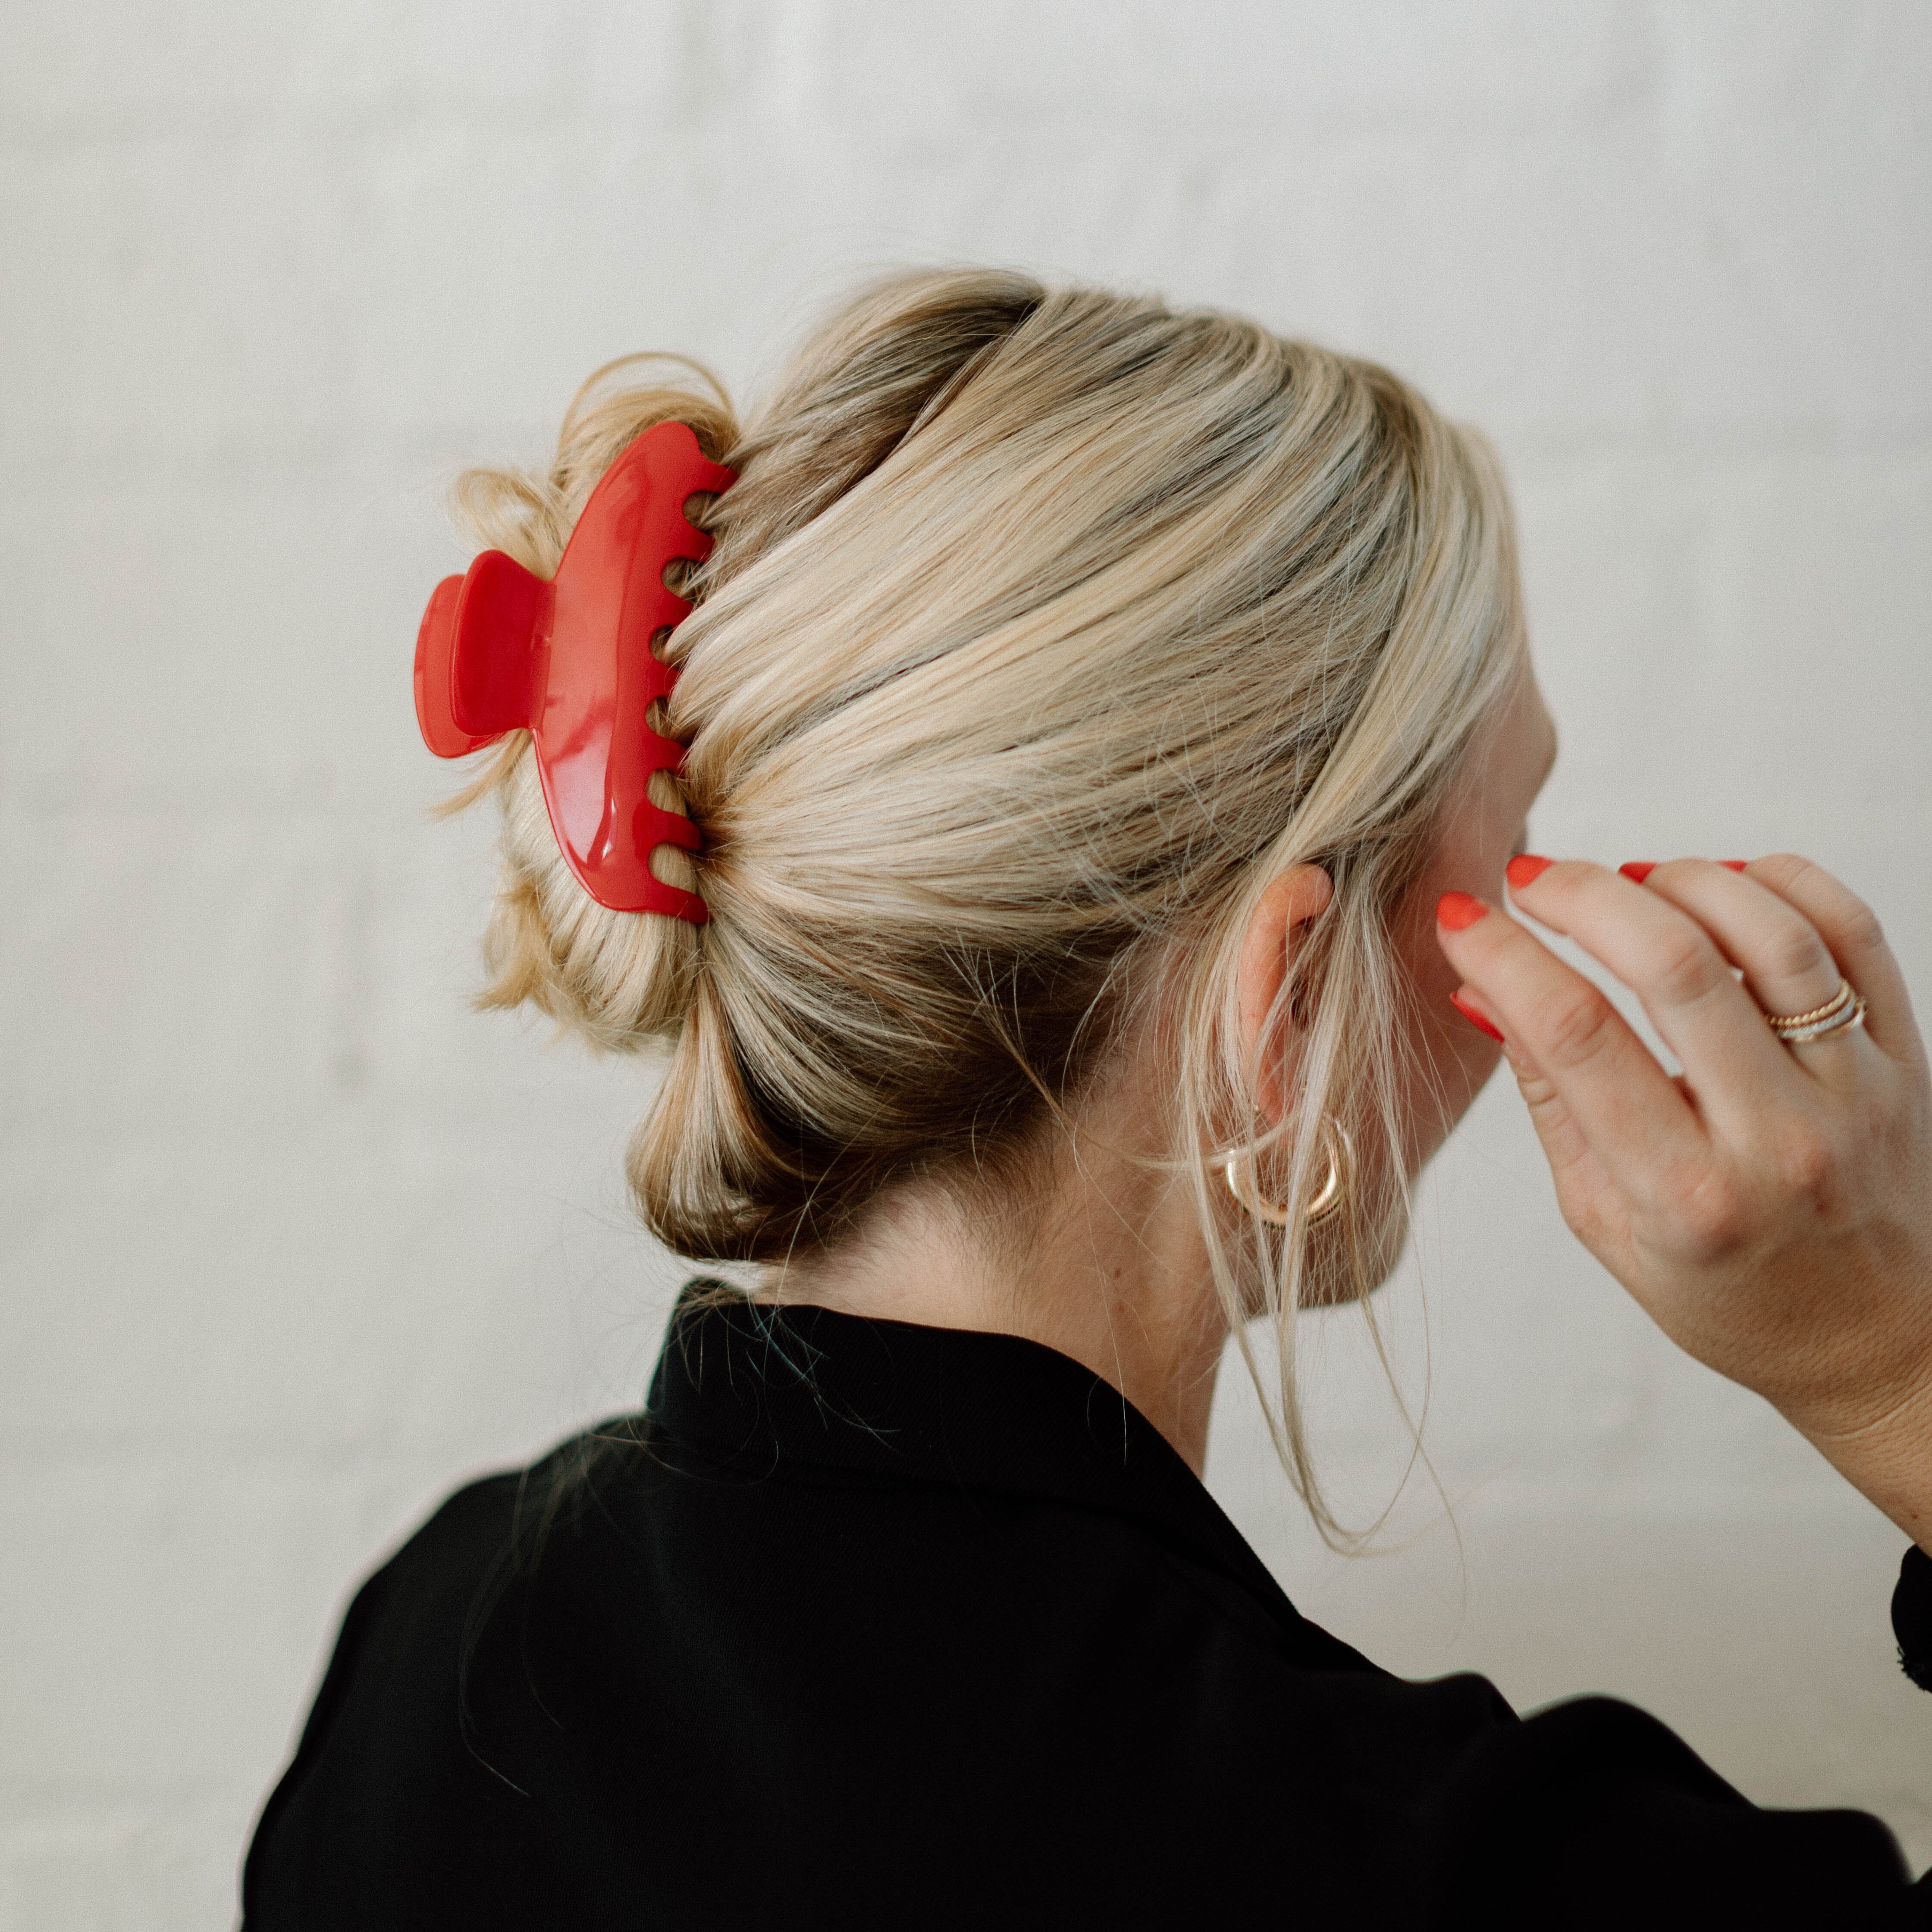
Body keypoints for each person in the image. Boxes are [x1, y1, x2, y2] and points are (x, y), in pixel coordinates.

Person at [242, 269, 1932, 1927]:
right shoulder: (1421, 1868)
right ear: (1277, 1005)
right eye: (1506, 853)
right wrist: (1896, 1368)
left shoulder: (433, 1648)